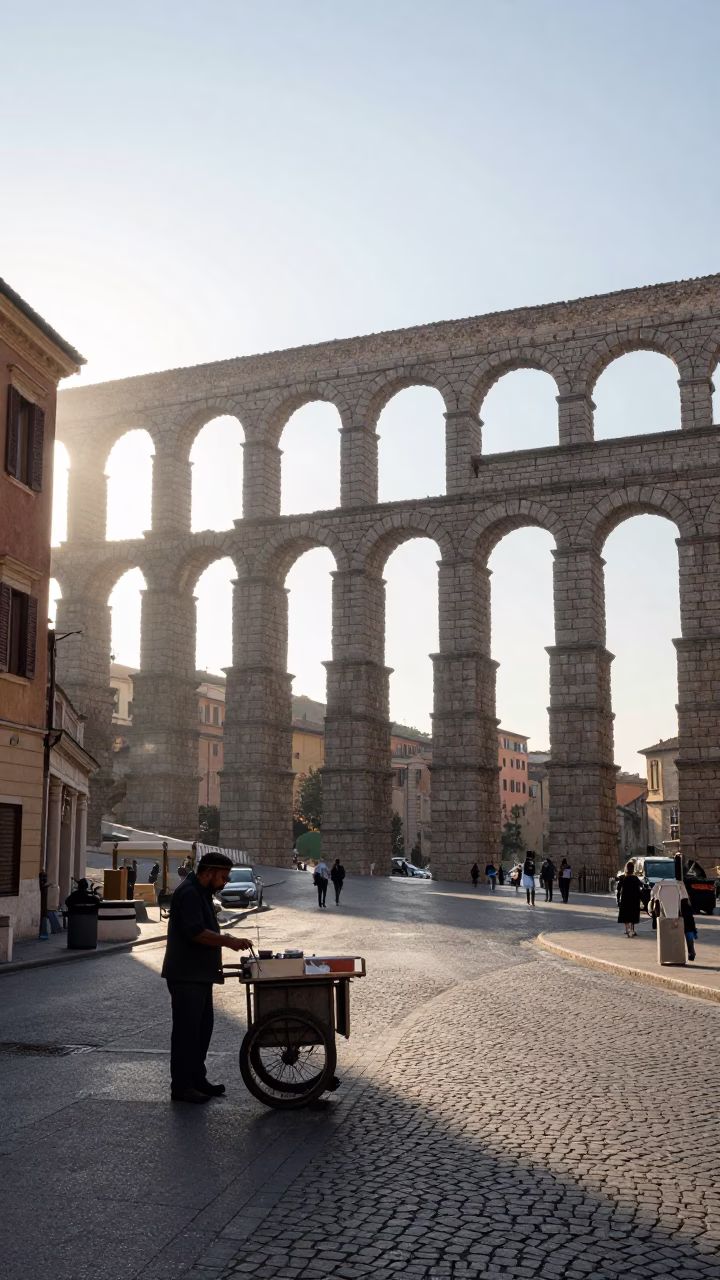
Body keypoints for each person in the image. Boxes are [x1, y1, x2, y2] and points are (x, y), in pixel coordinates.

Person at [161, 851, 253, 1104]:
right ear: (209, 872)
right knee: (186, 1032)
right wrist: (229, 941)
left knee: (202, 1030)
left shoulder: (201, 892)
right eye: (223, 877)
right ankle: (181, 1086)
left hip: (199, 974)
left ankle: (197, 1078)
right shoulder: (189, 893)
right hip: (186, 975)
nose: (225, 882)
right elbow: (197, 933)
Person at [617, 859, 641, 937]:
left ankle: (627, 929)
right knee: (632, 915)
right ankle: (632, 930)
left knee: (626, 915)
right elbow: (640, 886)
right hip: (634, 899)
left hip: (625, 899)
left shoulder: (622, 878)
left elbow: (618, 889)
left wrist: (618, 899)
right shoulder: (635, 878)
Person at [680, 895, 698, 961]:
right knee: (689, 935)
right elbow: (692, 911)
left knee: (678, 937)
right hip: (689, 920)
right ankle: (691, 952)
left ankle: (681, 953)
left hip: (678, 918)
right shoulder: (687, 900)